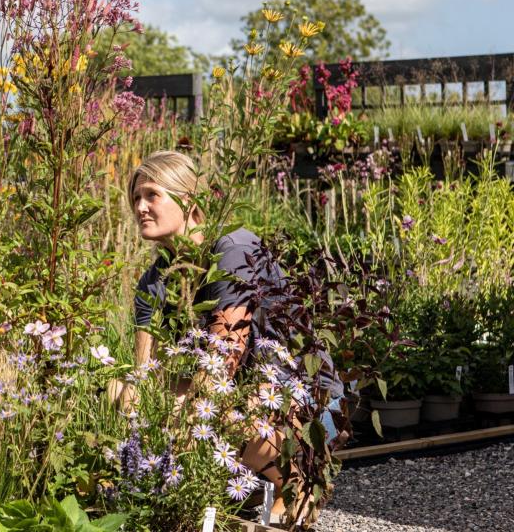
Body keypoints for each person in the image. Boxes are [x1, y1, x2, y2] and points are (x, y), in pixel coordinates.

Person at [115, 150, 344, 521]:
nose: (140, 206)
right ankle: (238, 484)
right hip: (240, 395)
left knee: (218, 415)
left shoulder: (233, 250)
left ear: (188, 200)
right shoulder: (153, 282)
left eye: (152, 195)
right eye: (136, 198)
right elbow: (143, 374)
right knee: (125, 394)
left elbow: (224, 357)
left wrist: (187, 428)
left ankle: (298, 478)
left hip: (304, 401)